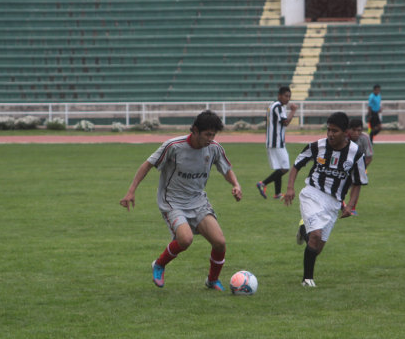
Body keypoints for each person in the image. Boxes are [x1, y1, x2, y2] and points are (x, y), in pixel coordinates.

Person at [120, 110, 243, 291]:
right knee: (185, 239)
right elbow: (148, 164)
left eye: (213, 134)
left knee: (220, 242)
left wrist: (236, 184)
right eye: (207, 134)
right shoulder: (174, 146)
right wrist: (131, 191)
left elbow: (226, 168)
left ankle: (212, 280)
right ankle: (159, 265)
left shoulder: (214, 148)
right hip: (172, 202)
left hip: (198, 201)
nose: (210, 138)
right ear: (194, 130)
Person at [284, 112, 368, 287]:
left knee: (317, 247)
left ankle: (303, 229)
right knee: (315, 236)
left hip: (334, 202)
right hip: (312, 193)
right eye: (328, 130)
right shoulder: (317, 146)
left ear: (345, 132)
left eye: (335, 131)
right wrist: (290, 188)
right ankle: (307, 280)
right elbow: (296, 165)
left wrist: (350, 206)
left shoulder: (356, 154)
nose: (330, 134)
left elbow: (358, 182)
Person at [256, 86, 298, 199]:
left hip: (274, 141)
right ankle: (263, 184)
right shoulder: (278, 106)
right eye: (286, 96)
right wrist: (293, 111)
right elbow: (285, 122)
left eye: (289, 96)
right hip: (276, 142)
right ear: (279, 95)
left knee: (279, 167)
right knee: (285, 168)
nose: (288, 99)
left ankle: (277, 193)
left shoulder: (274, 106)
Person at [346, 118, 373, 215]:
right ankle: (340, 205)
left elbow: (369, 156)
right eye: (353, 130)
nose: (356, 133)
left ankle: (352, 208)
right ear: (348, 129)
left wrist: (361, 169)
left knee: (357, 184)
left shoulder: (365, 138)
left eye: (359, 130)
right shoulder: (343, 138)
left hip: (359, 165)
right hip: (344, 166)